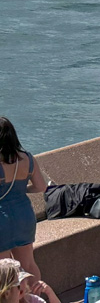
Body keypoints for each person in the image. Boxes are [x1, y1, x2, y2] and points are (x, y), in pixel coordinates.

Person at [0, 119, 42, 281]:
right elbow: (41, 187)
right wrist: (21, 190)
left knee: (4, 269)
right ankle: (34, 297)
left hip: (2, 220)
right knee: (29, 265)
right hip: (24, 215)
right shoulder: (28, 159)